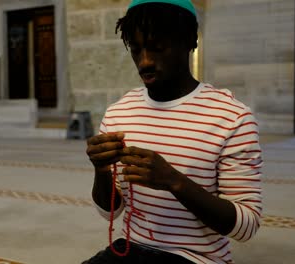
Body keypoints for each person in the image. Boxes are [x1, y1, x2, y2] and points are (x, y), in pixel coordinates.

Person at [84, 0, 263, 263]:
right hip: (129, 250)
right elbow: (110, 211)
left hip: (197, 259)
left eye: (158, 48)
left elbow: (247, 225)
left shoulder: (232, 117)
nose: (144, 61)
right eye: (136, 49)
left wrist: (173, 181)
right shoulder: (118, 113)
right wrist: (100, 170)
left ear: (191, 41)